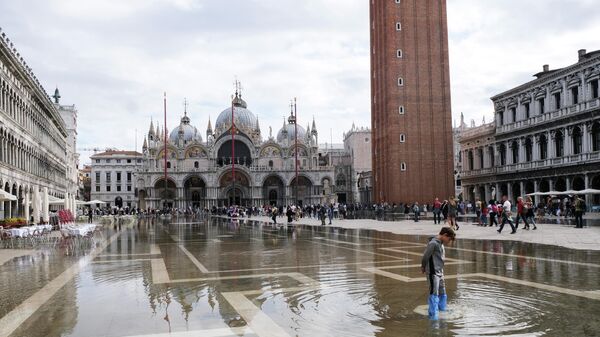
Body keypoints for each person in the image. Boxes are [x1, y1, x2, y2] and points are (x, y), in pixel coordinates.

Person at [421, 226, 456, 320]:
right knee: (434, 292)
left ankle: (442, 309)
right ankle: (433, 315)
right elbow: (425, 256)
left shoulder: (441, 243)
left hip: (440, 271)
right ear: (445, 235)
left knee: (442, 291)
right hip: (433, 273)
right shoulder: (433, 243)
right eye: (449, 239)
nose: (449, 241)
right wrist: (423, 266)